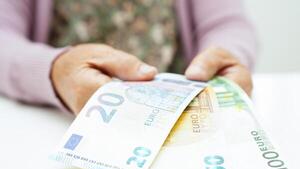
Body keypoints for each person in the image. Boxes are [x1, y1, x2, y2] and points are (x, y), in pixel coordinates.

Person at [0, 0, 257, 114]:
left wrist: (226, 56)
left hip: (182, 116)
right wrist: (53, 70)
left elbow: (228, 24)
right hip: (55, 120)